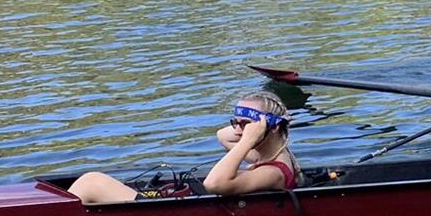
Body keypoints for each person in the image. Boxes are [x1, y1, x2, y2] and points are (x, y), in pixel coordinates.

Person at [68, 90, 300, 204]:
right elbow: (223, 136)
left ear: (269, 128)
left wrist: (249, 139)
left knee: (92, 181)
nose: (238, 131)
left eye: (245, 125)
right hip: (167, 208)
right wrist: (249, 129)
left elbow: (214, 183)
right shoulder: (268, 153)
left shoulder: (273, 172)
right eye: (235, 123)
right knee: (91, 182)